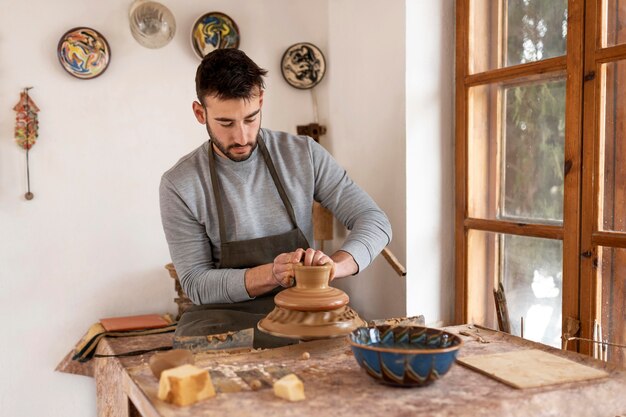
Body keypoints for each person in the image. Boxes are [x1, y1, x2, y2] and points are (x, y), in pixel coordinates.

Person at [159, 48, 391, 348]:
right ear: (200, 113)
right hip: (223, 319)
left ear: (261, 102)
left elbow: (374, 220)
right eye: (226, 123)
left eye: (251, 118)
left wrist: (335, 266)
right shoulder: (180, 184)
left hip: (303, 312)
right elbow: (196, 284)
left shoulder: (303, 154)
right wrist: (272, 274)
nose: (241, 137)